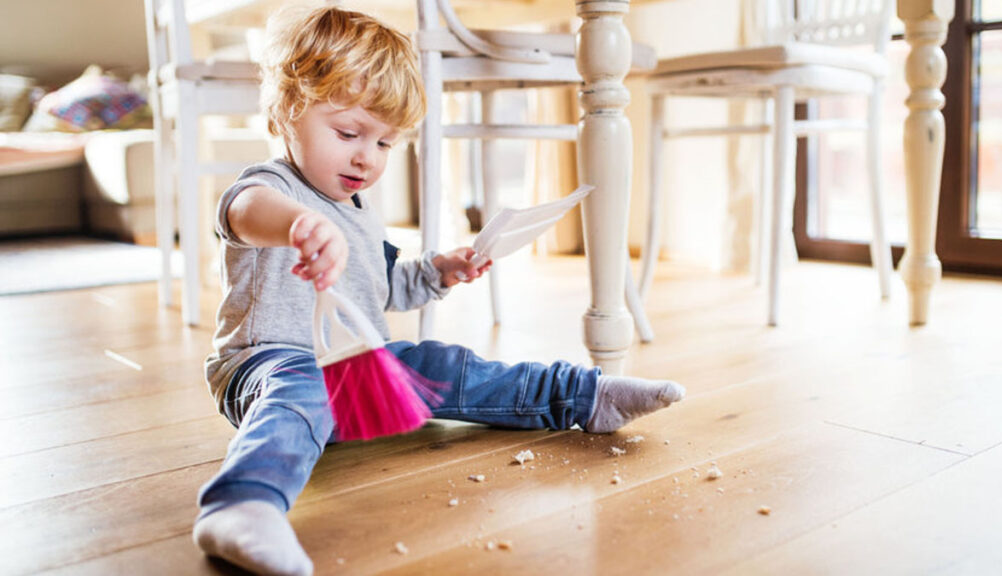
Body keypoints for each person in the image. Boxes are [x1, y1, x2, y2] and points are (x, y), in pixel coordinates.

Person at [192, 6, 685, 576]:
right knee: (301, 390)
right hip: (268, 363)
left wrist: (437, 272)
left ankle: (583, 396)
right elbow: (244, 213)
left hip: (358, 367)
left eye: (384, 143)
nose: (365, 157)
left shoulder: (358, 210)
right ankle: (242, 504)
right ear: (286, 111)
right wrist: (297, 225)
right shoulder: (269, 188)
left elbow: (384, 289)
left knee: (448, 366)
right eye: (349, 133)